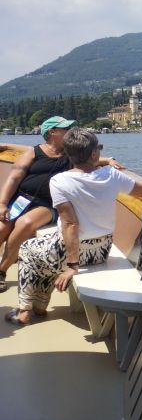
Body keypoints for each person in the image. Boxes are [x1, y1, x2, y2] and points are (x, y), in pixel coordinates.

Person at [4, 127, 142, 325]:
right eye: (99, 148)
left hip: (70, 253)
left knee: (28, 249)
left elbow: (70, 224)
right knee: (44, 253)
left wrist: (73, 266)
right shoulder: (112, 175)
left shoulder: (60, 181)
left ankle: (24, 311)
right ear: (94, 154)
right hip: (101, 250)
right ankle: (39, 306)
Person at [0, 117, 123, 292]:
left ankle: (1, 271)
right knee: (2, 226)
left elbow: (92, 158)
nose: (70, 131)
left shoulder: (71, 155)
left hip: (47, 205)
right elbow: (13, 179)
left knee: (25, 224)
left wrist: (109, 160)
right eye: (66, 128)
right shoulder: (33, 153)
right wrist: (2, 204)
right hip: (22, 200)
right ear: (52, 132)